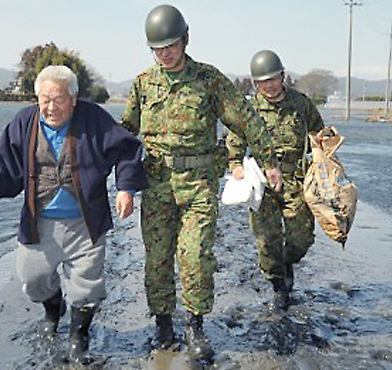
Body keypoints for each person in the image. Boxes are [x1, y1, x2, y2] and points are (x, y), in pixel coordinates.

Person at [120, 4, 282, 362]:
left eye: (171, 46)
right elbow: (125, 132)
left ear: (186, 40)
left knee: (194, 257)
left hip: (199, 186)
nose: (165, 54)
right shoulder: (143, 84)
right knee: (158, 260)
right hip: (158, 185)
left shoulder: (209, 80)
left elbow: (247, 121)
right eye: (158, 49)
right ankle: (163, 324)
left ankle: (195, 325)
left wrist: (270, 162)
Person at [0, 65, 147, 365]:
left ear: (74, 98)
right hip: (40, 222)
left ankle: (79, 336)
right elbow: (4, 163)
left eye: (59, 99)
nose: (51, 107)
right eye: (45, 100)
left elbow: (128, 149)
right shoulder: (25, 122)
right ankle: (53, 310)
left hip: (85, 221)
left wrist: (125, 189)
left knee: (87, 285)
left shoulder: (94, 119)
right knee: (33, 280)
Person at [227, 50, 325, 312]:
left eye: (272, 79)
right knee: (267, 239)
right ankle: (279, 285)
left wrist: (323, 146)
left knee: (301, 236)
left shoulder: (301, 104)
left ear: (282, 77)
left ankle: (287, 262)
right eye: (262, 82)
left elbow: (318, 132)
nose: (269, 86)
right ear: (256, 84)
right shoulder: (248, 109)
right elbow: (235, 139)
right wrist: (235, 165)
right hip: (262, 183)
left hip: (296, 180)